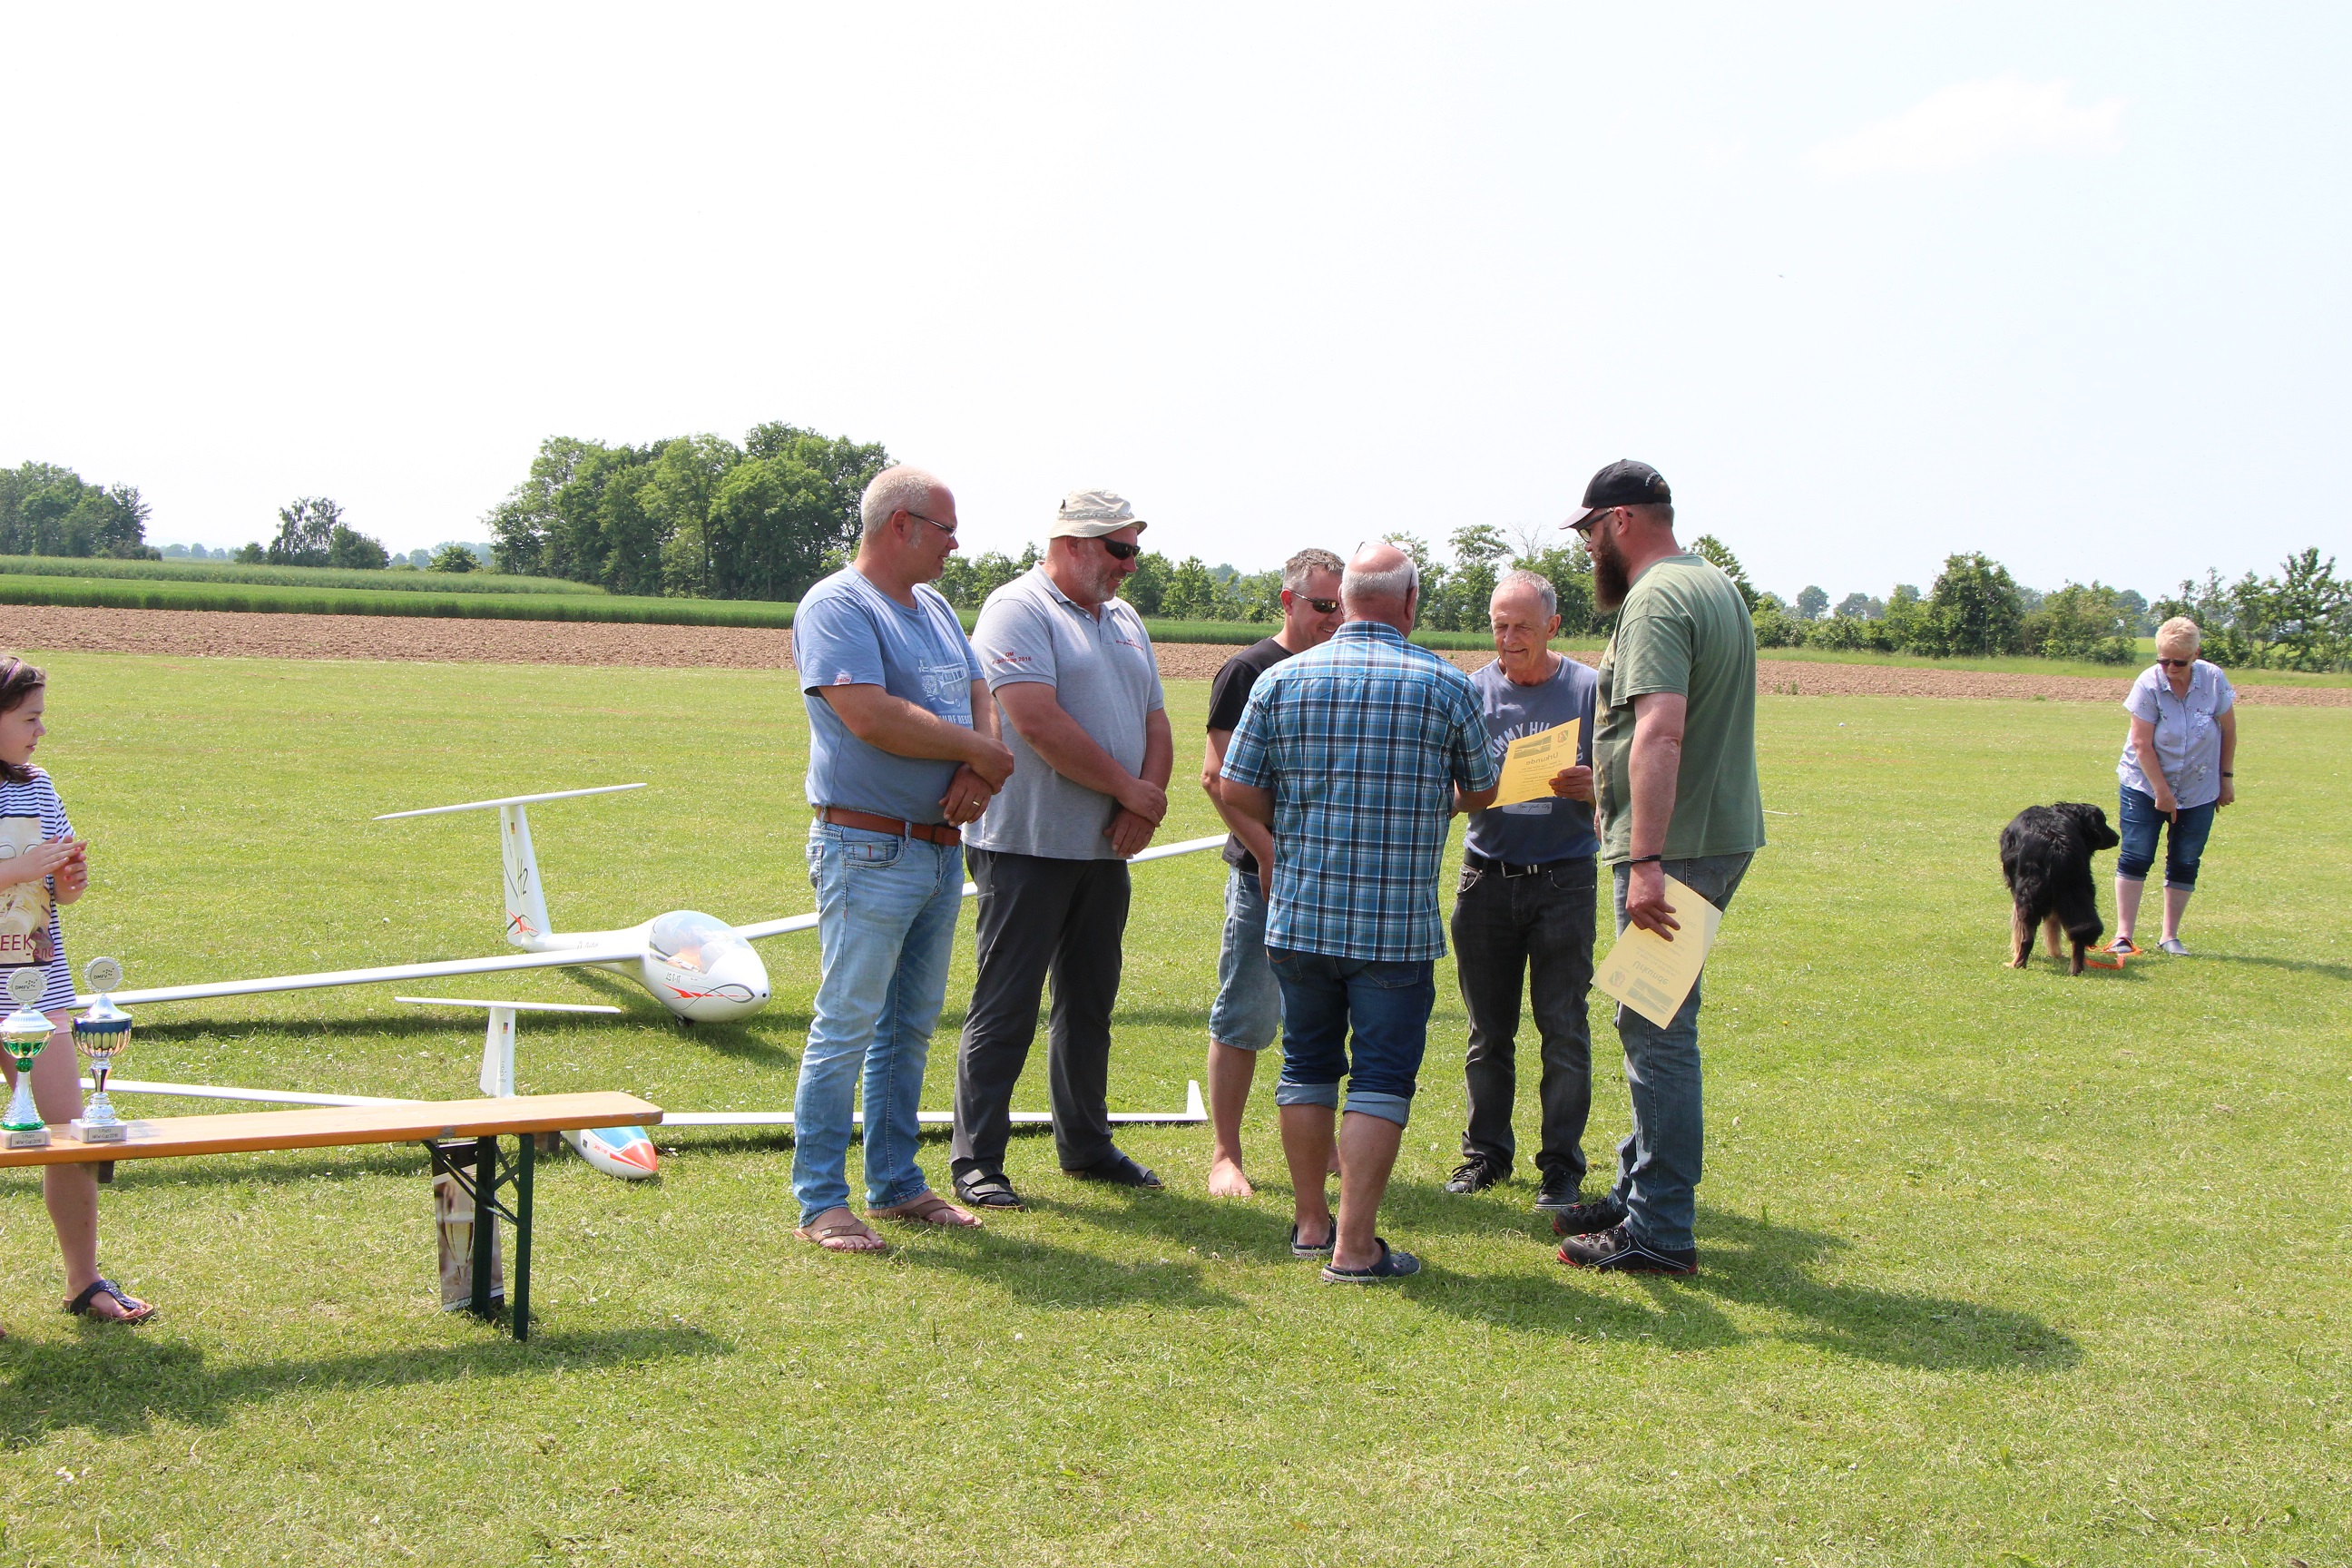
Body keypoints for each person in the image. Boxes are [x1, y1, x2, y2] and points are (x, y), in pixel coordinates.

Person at [1219, 544, 1499, 1282]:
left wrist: (1285, 835)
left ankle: (1312, 1226)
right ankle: (1353, 1246)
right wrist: (1430, 798)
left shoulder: (1281, 680)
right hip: (1394, 926)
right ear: (1410, 603)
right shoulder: (1446, 683)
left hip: (1300, 919)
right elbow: (1482, 787)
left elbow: (1235, 788)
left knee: (1305, 1066)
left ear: (1344, 601)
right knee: (1381, 1078)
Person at [787, 467, 1012, 1252]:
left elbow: (980, 688)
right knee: (847, 1024)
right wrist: (979, 752)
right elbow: (869, 715)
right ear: (901, 525)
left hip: (939, 848)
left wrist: (981, 764)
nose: (956, 544)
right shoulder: (837, 606)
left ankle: (895, 1184)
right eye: (947, 529)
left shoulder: (937, 607)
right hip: (867, 846)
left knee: (908, 1026)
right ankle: (821, 1202)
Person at [1550, 459, 1763, 1276]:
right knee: (1651, 1018)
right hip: (1709, 834)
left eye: (1589, 530)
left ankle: (1661, 1229)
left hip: (1675, 847)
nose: (1587, 547)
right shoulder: (1712, 584)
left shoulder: (1655, 599)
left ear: (1622, 520)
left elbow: (1661, 730)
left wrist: (1644, 858)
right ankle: (1637, 1190)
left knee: (1656, 1030)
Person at [950, 490, 1173, 1210]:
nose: (1130, 565)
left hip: (1103, 849)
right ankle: (978, 1160)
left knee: (1089, 1004)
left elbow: (1156, 719)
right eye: (1120, 549)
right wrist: (1128, 790)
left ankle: (1086, 1144)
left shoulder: (1123, 618)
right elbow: (1036, 722)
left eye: (1134, 550)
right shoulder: (1017, 608)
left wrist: (1144, 799)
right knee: (1006, 1004)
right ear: (1072, 543)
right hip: (1027, 845)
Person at [0, 653, 156, 1324]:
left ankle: (83, 1282)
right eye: (29, 719)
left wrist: (67, 880)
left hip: (39, 993)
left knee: (71, 1138)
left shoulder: (39, 787)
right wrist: (16, 868)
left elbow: (59, 887)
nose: (41, 731)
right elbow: (20, 870)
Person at [1444, 569, 1601, 1214]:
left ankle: (1560, 1168)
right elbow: (1449, 793)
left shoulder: (1589, 689)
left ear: (1553, 627)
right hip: (1486, 877)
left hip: (1566, 878)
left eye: (1523, 627)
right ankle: (1486, 1154)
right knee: (1488, 1031)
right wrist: (1477, 792)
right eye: (1499, 626)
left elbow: (1628, 780)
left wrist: (1594, 787)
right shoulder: (1470, 691)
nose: (1509, 639)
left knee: (1563, 1029)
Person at [1197, 546, 1345, 1198]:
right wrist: (1267, 855)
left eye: (1342, 606)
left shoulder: (1338, 669)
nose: (1334, 618)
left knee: (1324, 1014)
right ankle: (1225, 1154)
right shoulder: (1248, 670)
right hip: (1266, 878)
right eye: (1323, 605)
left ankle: (1325, 1145)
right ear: (1288, 601)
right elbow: (1217, 778)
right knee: (1248, 1013)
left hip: (1330, 877)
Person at [2109, 616, 2237, 957]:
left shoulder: (2213, 680)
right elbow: (2141, 744)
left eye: (2178, 662)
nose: (2169, 668)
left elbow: (2228, 730)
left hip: (2199, 786)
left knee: (2186, 858)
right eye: (2162, 660)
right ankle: (2123, 936)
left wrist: (2225, 778)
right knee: (2136, 854)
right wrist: (2163, 793)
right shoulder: (2148, 683)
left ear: (2196, 654)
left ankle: (2169, 936)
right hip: (2144, 783)